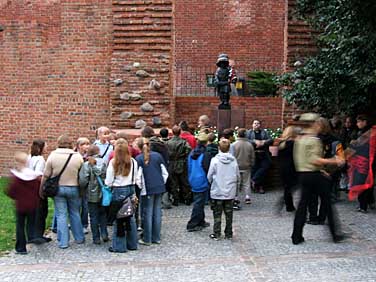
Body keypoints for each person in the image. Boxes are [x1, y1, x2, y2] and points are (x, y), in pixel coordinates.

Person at [291, 113, 345, 245]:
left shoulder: (300, 139)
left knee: (302, 206)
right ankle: (335, 234)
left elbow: (306, 159)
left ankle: (296, 236)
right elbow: (315, 160)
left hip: (303, 175)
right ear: (315, 124)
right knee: (327, 204)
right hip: (314, 176)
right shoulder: (314, 140)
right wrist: (334, 160)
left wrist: (320, 170)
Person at [41, 135, 84, 249]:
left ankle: (63, 242)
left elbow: (46, 175)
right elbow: (82, 175)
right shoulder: (77, 156)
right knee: (75, 213)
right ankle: (79, 238)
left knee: (61, 215)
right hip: (74, 187)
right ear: (71, 143)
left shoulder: (53, 155)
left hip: (58, 188)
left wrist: (41, 188)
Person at [105, 140, 139, 253]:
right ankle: (133, 243)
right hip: (131, 188)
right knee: (130, 217)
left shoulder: (113, 162)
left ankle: (119, 246)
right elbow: (136, 176)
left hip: (119, 189)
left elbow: (108, 181)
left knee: (119, 218)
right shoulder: (133, 161)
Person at [7, 152, 43, 254]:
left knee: (20, 225)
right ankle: (32, 236)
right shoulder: (33, 176)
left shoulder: (16, 177)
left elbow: (11, 191)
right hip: (33, 204)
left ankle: (21, 247)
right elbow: (38, 189)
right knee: (31, 222)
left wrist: (16, 197)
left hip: (21, 205)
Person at [136, 138, 168, 246]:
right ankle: (156, 237)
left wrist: (141, 188)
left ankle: (147, 238)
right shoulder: (158, 156)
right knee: (157, 213)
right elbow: (164, 172)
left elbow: (138, 177)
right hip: (159, 187)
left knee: (148, 213)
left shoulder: (139, 159)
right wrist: (161, 183)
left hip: (147, 188)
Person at [207, 138, 240, 240]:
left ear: (218, 148)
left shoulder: (214, 160)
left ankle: (217, 233)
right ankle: (228, 233)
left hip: (217, 190)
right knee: (229, 214)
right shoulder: (233, 161)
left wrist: (211, 183)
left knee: (217, 213)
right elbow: (238, 176)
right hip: (230, 190)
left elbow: (209, 175)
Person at [79, 145, 108, 245]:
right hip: (104, 193)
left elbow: (83, 181)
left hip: (91, 194)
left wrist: (83, 190)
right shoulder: (105, 162)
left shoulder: (87, 165)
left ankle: (96, 238)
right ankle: (104, 233)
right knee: (103, 214)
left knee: (93, 216)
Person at [186, 132, 211, 232]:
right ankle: (192, 224)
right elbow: (207, 168)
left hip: (192, 178)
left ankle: (201, 221)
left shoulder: (192, 153)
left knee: (199, 201)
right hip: (202, 179)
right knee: (199, 202)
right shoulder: (205, 154)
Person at [28, 139, 51, 243]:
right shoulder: (40, 159)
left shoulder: (30, 157)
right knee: (41, 212)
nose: (47, 147)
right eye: (45, 146)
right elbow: (38, 174)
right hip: (37, 188)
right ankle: (38, 235)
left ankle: (31, 234)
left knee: (31, 212)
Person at [166, 125, 192, 206]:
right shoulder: (184, 142)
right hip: (181, 163)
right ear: (180, 132)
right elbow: (189, 149)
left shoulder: (168, 142)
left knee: (173, 182)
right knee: (184, 182)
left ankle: (175, 199)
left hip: (172, 163)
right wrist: (184, 155)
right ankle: (186, 199)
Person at [247, 119, 273, 194]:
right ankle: (256, 187)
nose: (256, 125)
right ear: (252, 125)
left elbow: (271, 140)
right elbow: (246, 140)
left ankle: (254, 181)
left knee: (265, 167)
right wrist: (254, 142)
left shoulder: (264, 132)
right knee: (254, 169)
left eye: (258, 123)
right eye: (255, 123)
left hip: (264, 153)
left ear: (260, 125)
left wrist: (263, 142)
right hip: (253, 154)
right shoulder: (249, 133)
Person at [277, 126, 299, 212]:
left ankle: (288, 205)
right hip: (292, 167)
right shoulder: (294, 144)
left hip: (283, 168)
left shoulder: (282, 144)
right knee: (295, 187)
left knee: (287, 187)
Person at [232, 128, 255, 206]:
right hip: (246, 166)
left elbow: (232, 156)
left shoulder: (234, 144)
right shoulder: (249, 145)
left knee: (236, 182)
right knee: (246, 182)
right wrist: (252, 163)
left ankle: (236, 197)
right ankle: (247, 197)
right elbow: (252, 156)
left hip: (236, 166)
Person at [76, 137, 91, 234]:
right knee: (76, 205)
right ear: (79, 146)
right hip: (76, 182)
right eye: (85, 144)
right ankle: (76, 223)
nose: (87, 146)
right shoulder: (75, 156)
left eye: (88, 144)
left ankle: (84, 224)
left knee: (85, 205)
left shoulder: (89, 156)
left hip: (86, 184)